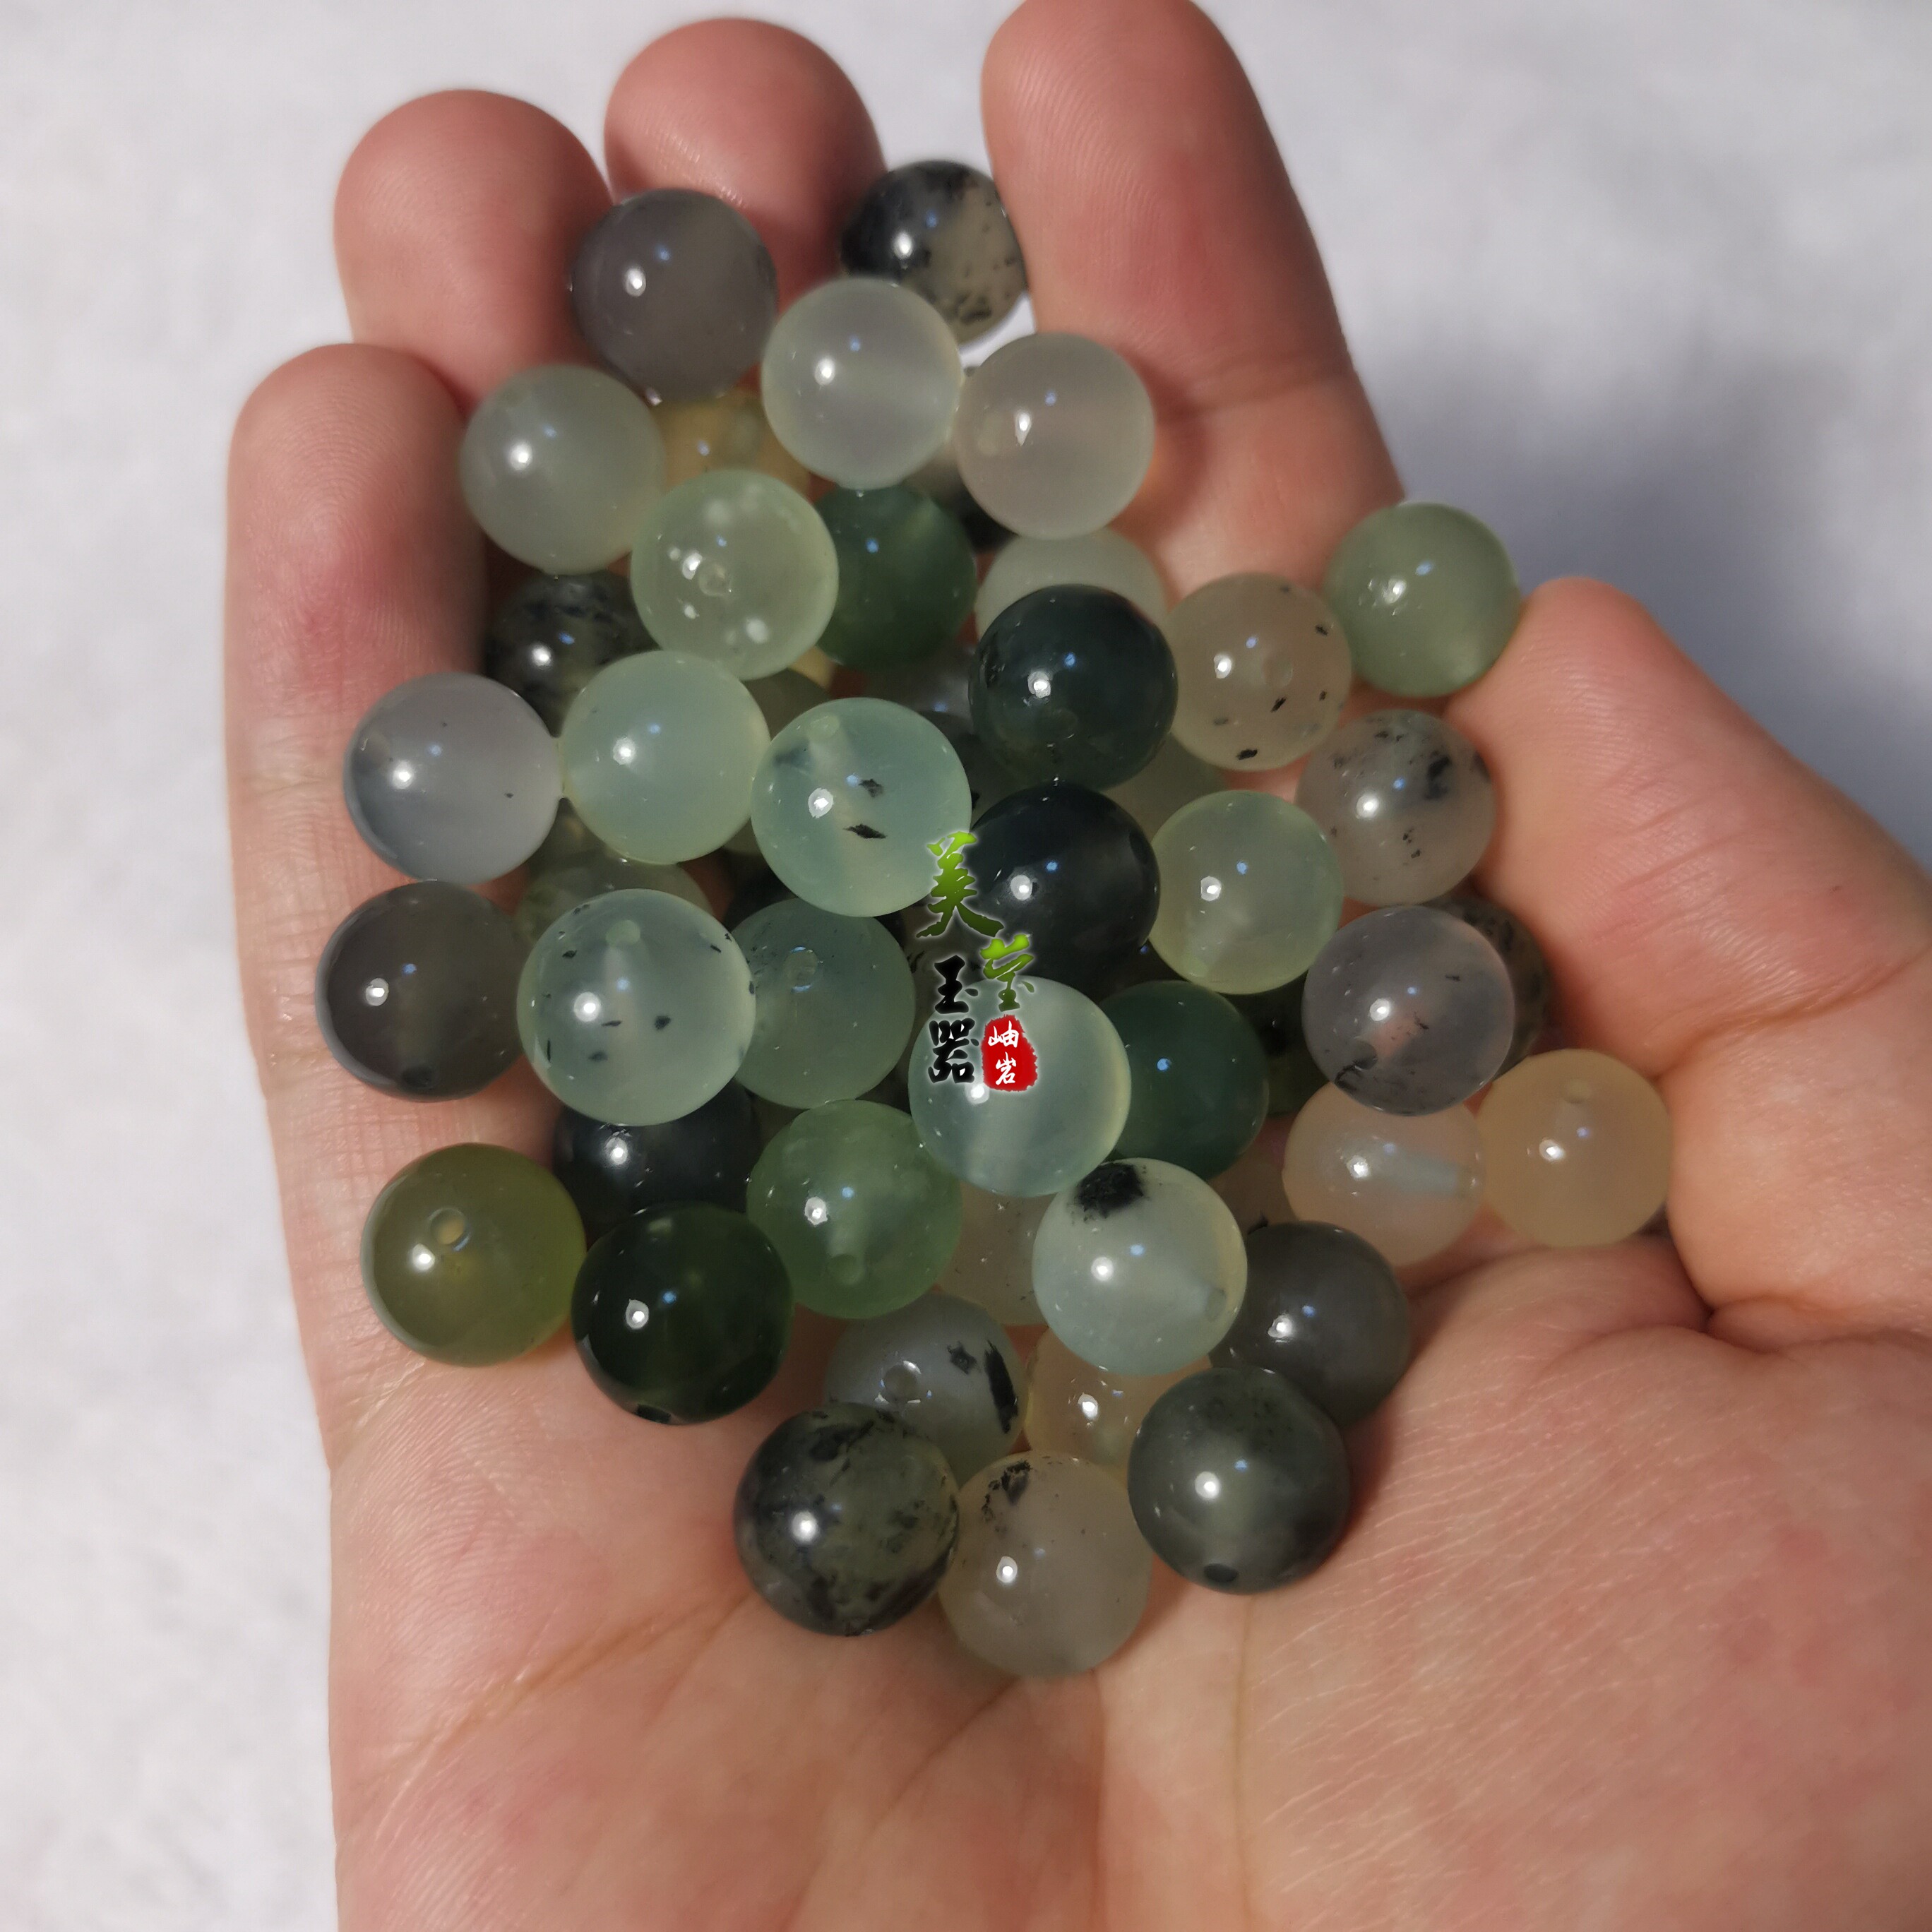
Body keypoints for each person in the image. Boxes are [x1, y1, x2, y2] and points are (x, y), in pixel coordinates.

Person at [223, 2, 1932, 1924]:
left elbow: (981, 982)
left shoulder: (1008, 942)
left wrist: (982, 981)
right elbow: (967, 978)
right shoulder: (906, 925)